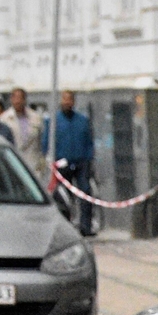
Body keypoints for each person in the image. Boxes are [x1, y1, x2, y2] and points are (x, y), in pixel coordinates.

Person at [44, 89, 97, 234]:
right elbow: (46, 143)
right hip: (62, 164)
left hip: (81, 162)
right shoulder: (53, 121)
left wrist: (88, 158)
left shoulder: (82, 120)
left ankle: (86, 226)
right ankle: (65, 227)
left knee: (85, 192)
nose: (67, 102)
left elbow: (89, 142)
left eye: (70, 99)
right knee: (63, 196)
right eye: (65, 99)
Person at [0, 88, 40, 164]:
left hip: (33, 161)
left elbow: (42, 140)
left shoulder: (36, 117)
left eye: (20, 98)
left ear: (25, 100)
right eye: (15, 98)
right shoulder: (4, 118)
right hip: (12, 160)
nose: (18, 101)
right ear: (11, 99)